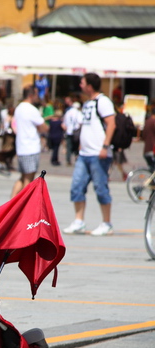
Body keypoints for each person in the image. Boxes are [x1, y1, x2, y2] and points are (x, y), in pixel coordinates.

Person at [64, 72, 116, 236]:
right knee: (76, 187)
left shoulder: (103, 102)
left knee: (101, 189)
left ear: (90, 85)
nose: (80, 85)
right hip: (85, 154)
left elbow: (111, 124)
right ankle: (79, 221)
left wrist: (105, 147)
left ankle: (106, 223)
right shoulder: (87, 103)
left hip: (98, 153)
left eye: (82, 83)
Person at [11, 85, 48, 197]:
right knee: (29, 180)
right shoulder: (32, 109)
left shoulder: (19, 108)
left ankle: (11, 202)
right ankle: (22, 206)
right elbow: (44, 127)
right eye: (37, 94)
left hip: (21, 147)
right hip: (30, 147)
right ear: (31, 95)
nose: (38, 97)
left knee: (22, 177)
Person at [63, 101, 83, 165]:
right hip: (76, 133)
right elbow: (80, 122)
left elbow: (64, 123)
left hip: (69, 132)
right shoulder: (78, 113)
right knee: (76, 147)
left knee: (69, 147)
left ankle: (68, 160)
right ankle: (77, 159)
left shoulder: (68, 112)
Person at [142, 106, 155, 172]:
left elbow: (143, 136)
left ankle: (151, 182)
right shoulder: (154, 122)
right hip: (152, 150)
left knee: (152, 170)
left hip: (146, 150)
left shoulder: (147, 121)